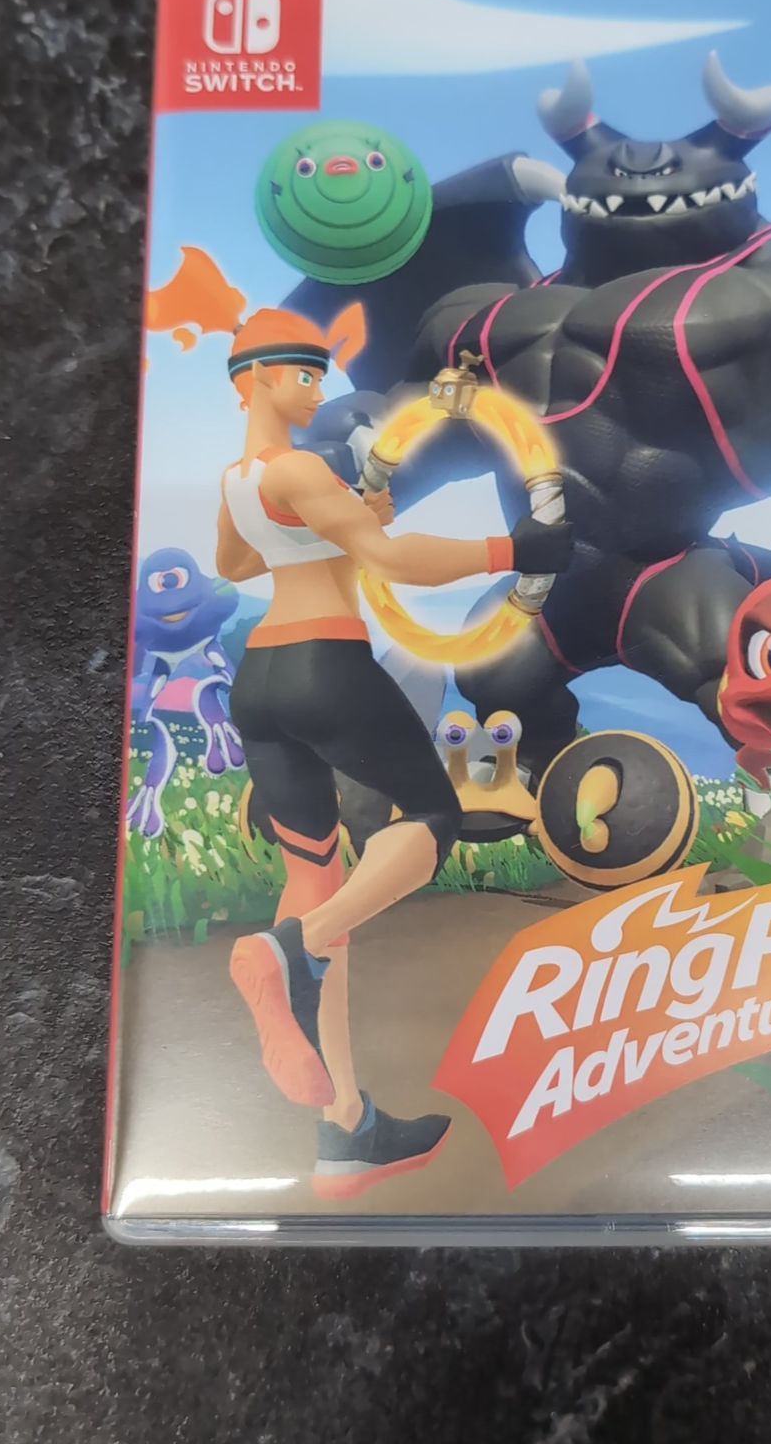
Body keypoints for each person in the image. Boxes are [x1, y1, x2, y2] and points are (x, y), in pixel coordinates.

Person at [214, 304, 572, 1199]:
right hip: (323, 667)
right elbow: (395, 560)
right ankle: (293, 950)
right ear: (255, 380)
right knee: (433, 815)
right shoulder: (299, 467)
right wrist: (514, 545)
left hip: (260, 683)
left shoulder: (240, 478)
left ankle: (346, 1131)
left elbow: (237, 566)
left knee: (316, 876)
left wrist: (328, 524)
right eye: (303, 375)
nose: (318, 389)